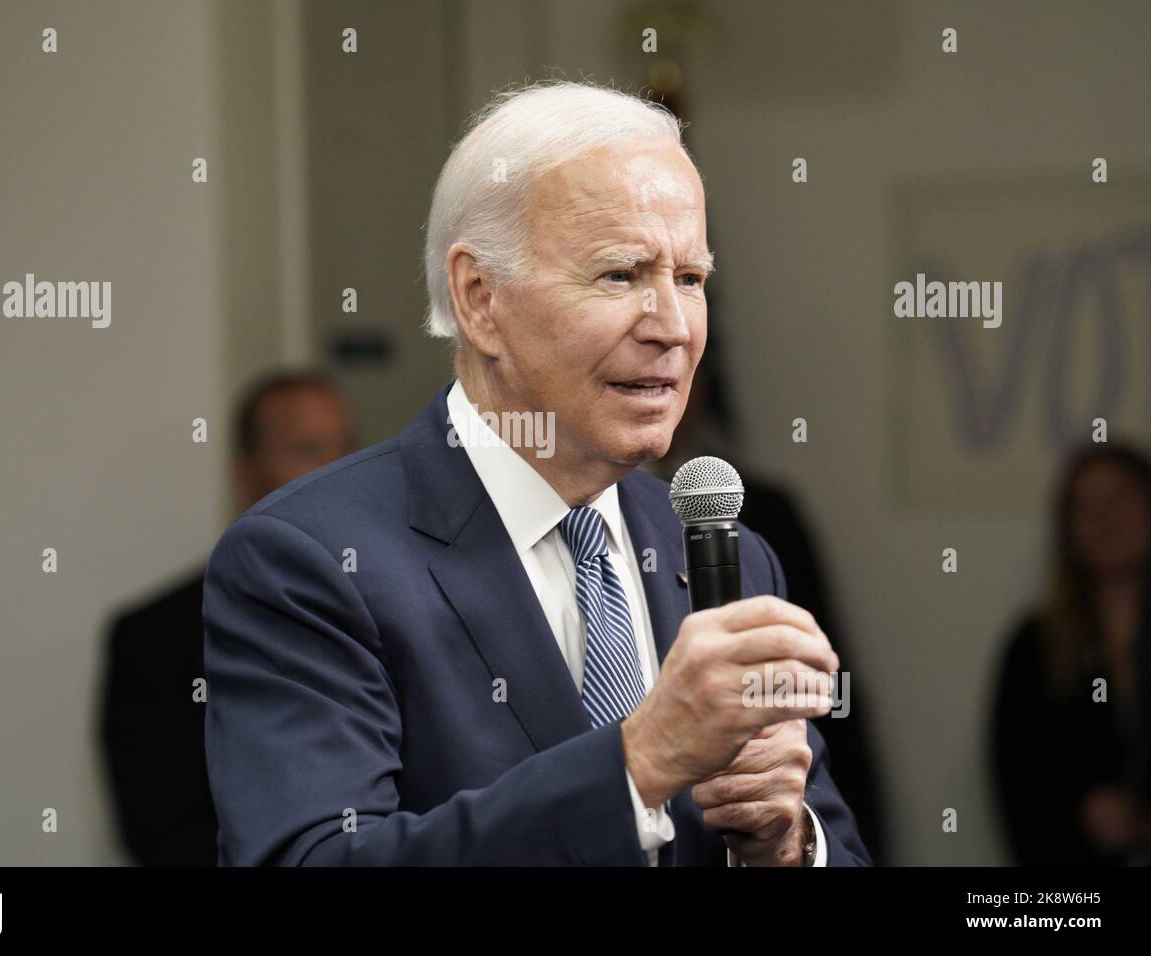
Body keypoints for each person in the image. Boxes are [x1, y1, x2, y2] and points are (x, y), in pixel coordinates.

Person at [203, 81, 871, 866]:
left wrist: (785, 842)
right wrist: (637, 765)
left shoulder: (727, 551)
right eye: (621, 274)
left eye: (690, 279)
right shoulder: (308, 560)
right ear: (480, 299)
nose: (673, 328)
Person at [100, 372, 355, 865]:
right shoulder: (156, 638)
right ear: (247, 477)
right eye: (306, 449)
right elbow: (165, 835)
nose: (338, 469)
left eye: (348, 447)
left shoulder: (408, 606)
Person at [992, 443, 1151, 865]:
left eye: (1119, 498)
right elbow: (1017, 784)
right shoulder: (1036, 647)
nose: (1104, 519)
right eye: (1085, 506)